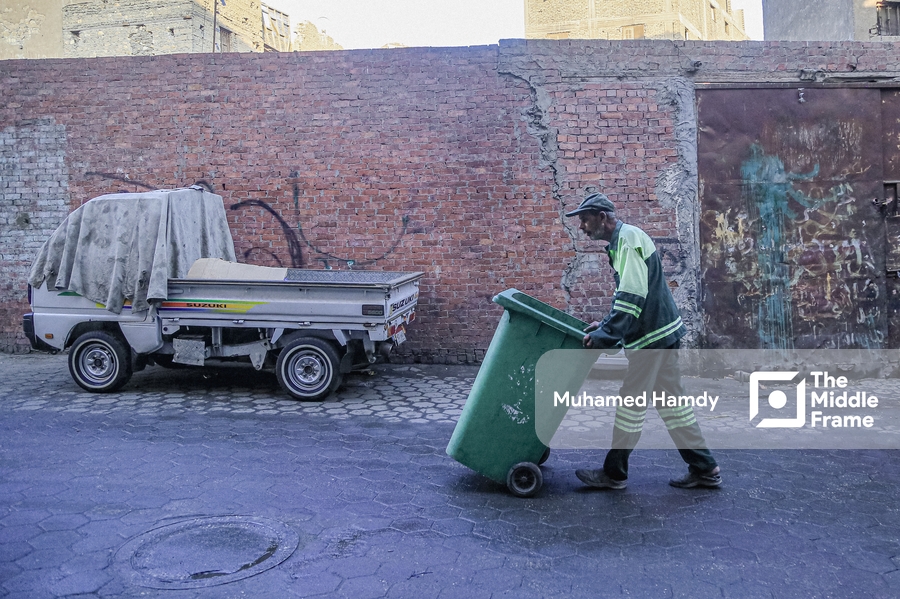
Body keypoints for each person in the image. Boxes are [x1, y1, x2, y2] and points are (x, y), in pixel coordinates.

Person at [565, 192, 721, 490]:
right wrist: (607, 323)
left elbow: (632, 297)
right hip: (661, 336)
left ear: (602, 217)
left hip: (652, 341)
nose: (581, 227)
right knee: (673, 405)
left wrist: (605, 336)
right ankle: (706, 468)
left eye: (584, 220)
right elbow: (630, 292)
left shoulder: (626, 241)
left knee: (630, 406)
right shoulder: (625, 239)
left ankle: (614, 474)